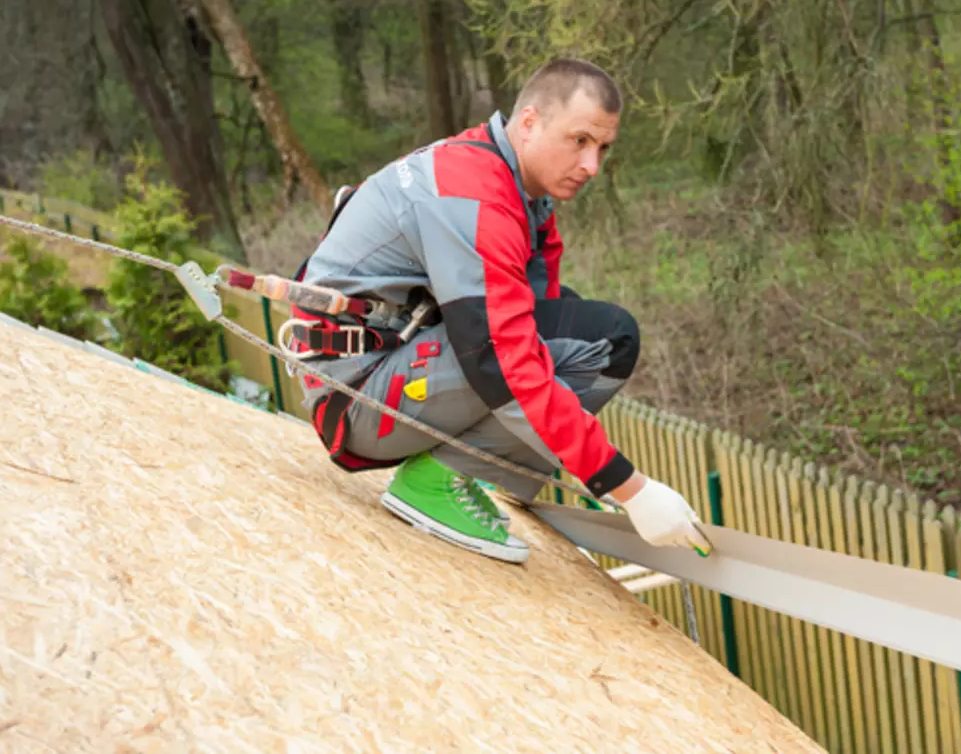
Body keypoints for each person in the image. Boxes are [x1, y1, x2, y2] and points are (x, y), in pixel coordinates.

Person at [291, 57, 710, 564]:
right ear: (529, 122)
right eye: (579, 141)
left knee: (583, 329)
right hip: (357, 398)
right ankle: (434, 482)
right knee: (601, 338)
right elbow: (503, 362)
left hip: (381, 368)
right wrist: (628, 487)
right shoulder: (476, 196)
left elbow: (541, 320)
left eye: (603, 148)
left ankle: (464, 470)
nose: (592, 165)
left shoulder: (514, 188)